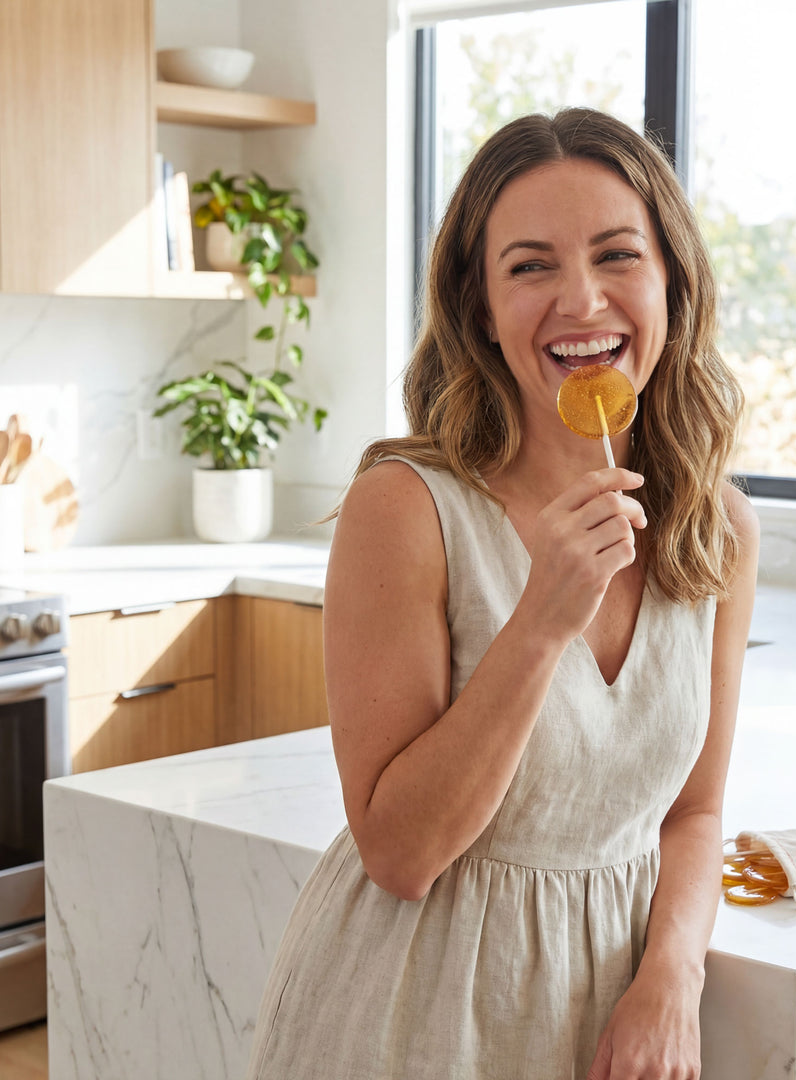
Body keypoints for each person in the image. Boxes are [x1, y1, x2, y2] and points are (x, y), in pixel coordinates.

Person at [245, 107, 759, 1080]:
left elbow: (692, 816)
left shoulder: (718, 527)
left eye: (617, 255)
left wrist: (671, 979)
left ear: (670, 283)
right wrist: (541, 620)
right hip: (412, 1013)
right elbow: (400, 852)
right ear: (480, 308)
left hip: (609, 1010)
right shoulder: (404, 509)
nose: (582, 300)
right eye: (530, 266)